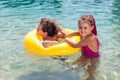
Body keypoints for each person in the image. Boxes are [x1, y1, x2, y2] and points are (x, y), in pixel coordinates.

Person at [65, 14, 101, 79]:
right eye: (80, 27)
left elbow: (75, 45)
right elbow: (77, 32)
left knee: (90, 75)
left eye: (85, 28)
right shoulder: (84, 33)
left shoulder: (91, 38)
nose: (82, 30)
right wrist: (67, 35)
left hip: (93, 59)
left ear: (92, 28)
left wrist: (66, 39)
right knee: (72, 68)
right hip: (84, 57)